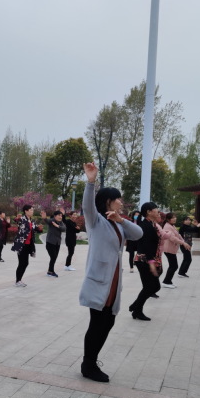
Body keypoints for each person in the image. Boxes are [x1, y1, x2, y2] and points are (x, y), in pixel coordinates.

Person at [78, 162, 142, 382]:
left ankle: (91, 361)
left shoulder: (118, 224)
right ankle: (88, 364)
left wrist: (121, 219)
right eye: (118, 199)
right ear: (108, 201)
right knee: (97, 323)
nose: (121, 202)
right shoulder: (95, 221)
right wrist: (91, 182)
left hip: (113, 280)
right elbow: (87, 206)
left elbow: (138, 234)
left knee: (108, 322)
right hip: (99, 280)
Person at [129, 202, 174, 321]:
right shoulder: (145, 225)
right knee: (152, 286)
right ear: (149, 212)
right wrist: (151, 262)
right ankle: (136, 308)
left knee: (150, 287)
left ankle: (136, 308)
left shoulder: (152, 224)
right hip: (144, 260)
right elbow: (146, 245)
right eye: (156, 209)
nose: (158, 211)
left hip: (150, 259)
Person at [11, 204, 41, 287]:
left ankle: (19, 280)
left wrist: (39, 229)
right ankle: (18, 281)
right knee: (22, 263)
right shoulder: (22, 219)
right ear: (26, 211)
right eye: (31, 210)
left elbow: (35, 229)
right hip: (21, 244)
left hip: (29, 244)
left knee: (25, 263)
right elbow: (17, 221)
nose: (32, 211)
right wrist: (16, 218)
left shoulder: (32, 220)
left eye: (32, 210)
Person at [160, 212, 190, 288]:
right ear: (168, 219)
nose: (175, 219)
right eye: (173, 218)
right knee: (173, 266)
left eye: (175, 217)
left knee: (173, 266)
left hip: (171, 249)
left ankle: (168, 281)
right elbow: (172, 238)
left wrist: (184, 242)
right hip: (168, 249)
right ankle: (166, 282)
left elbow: (178, 235)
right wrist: (183, 243)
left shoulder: (172, 225)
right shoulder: (167, 226)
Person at [44, 210, 66, 277]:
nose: (60, 217)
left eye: (61, 215)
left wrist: (57, 226)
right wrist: (44, 218)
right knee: (53, 257)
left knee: (54, 257)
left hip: (57, 243)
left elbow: (64, 228)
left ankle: (50, 271)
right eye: (59, 215)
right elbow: (47, 221)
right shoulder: (52, 221)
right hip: (50, 242)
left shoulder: (61, 223)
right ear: (55, 216)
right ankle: (51, 271)